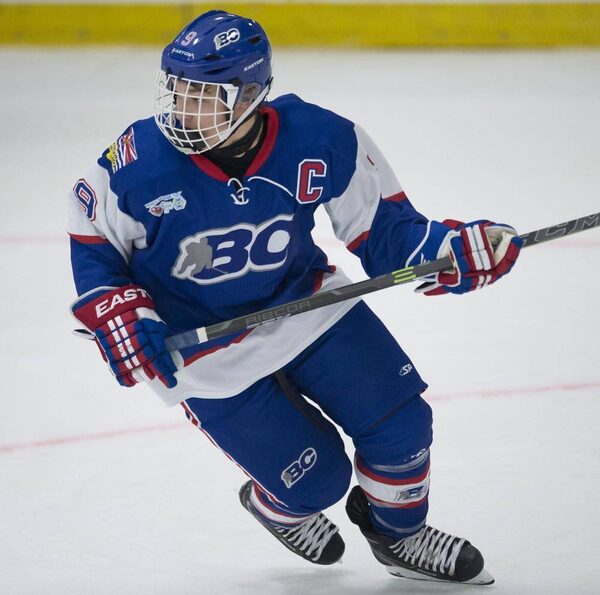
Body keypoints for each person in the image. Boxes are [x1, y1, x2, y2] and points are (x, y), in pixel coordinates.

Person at [68, 10, 522, 585]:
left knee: (403, 427)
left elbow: (387, 234)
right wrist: (115, 306)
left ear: (250, 95)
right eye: (177, 90)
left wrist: (451, 249)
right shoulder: (136, 164)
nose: (183, 109)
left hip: (305, 308)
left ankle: (400, 538)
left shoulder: (321, 138)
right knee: (317, 482)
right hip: (203, 352)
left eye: (204, 96)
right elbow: (93, 240)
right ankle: (276, 506)